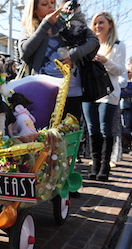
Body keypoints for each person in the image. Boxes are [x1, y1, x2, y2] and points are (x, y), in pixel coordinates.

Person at [18, 0, 99, 123]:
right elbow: (24, 52)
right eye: (44, 4)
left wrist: (74, 55)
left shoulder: (66, 20)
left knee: (70, 132)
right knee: (46, 133)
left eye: (52, 2)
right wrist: (45, 24)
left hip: (72, 89)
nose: (50, 6)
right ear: (34, 9)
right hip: (44, 90)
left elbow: (94, 41)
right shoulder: (29, 27)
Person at [82, 12, 126, 181]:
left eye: (101, 23)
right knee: (92, 128)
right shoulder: (89, 44)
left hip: (108, 93)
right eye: (95, 23)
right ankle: (94, 164)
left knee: (104, 128)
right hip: (89, 92)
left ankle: (104, 166)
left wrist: (105, 61)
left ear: (110, 25)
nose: (97, 26)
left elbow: (121, 70)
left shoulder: (117, 45)